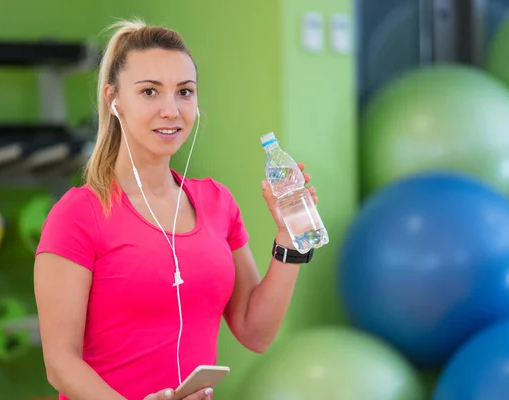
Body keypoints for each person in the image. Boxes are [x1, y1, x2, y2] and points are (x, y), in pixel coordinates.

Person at [33, 18, 318, 400]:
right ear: (114, 99)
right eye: (150, 91)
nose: (171, 109)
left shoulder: (218, 203)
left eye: (184, 92)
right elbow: (60, 364)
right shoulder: (79, 214)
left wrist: (291, 240)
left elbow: (256, 332)